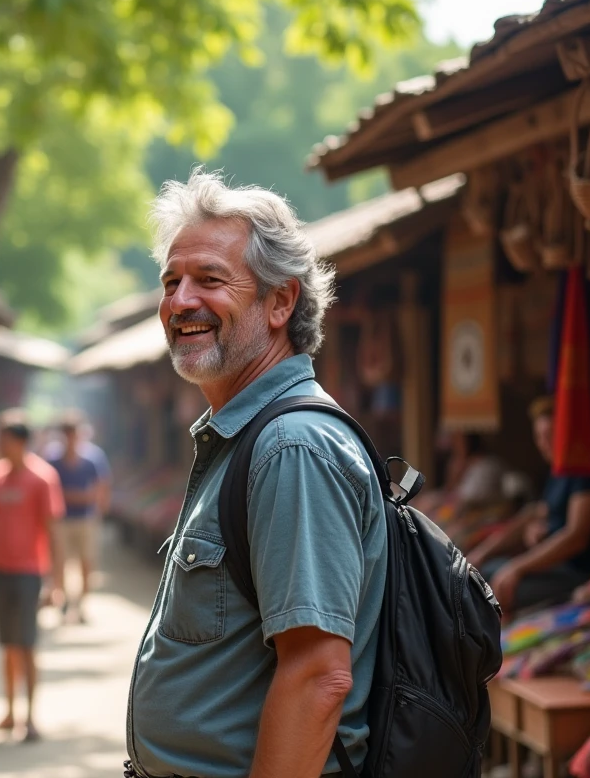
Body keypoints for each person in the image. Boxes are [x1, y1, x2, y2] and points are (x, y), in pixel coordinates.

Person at [125, 168, 386, 778]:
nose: (180, 300)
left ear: (280, 301)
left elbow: (318, 676)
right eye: (171, 281)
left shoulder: (290, 449)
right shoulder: (245, 440)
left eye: (210, 279)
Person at [466, 396, 590, 613]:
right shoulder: (559, 469)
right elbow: (537, 513)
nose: (543, 444)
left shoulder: (588, 467)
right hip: (559, 567)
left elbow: (576, 537)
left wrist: (517, 567)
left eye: (550, 435)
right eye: (539, 437)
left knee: (495, 588)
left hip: (584, 572)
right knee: (485, 570)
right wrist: (483, 552)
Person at [0, 409, 64, 742]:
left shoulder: (43, 478)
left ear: (20, 441)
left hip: (30, 573)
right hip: (0, 571)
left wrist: (54, 582)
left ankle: (31, 718)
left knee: (27, 645)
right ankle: (10, 712)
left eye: (4, 439)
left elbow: (52, 531)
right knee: (8, 645)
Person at [45, 412, 111, 622]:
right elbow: (50, 490)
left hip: (86, 518)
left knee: (86, 563)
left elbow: (102, 487)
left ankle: (81, 603)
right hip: (61, 520)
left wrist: (97, 509)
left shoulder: (93, 457)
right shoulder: (52, 458)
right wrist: (80, 497)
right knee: (59, 562)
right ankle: (63, 599)